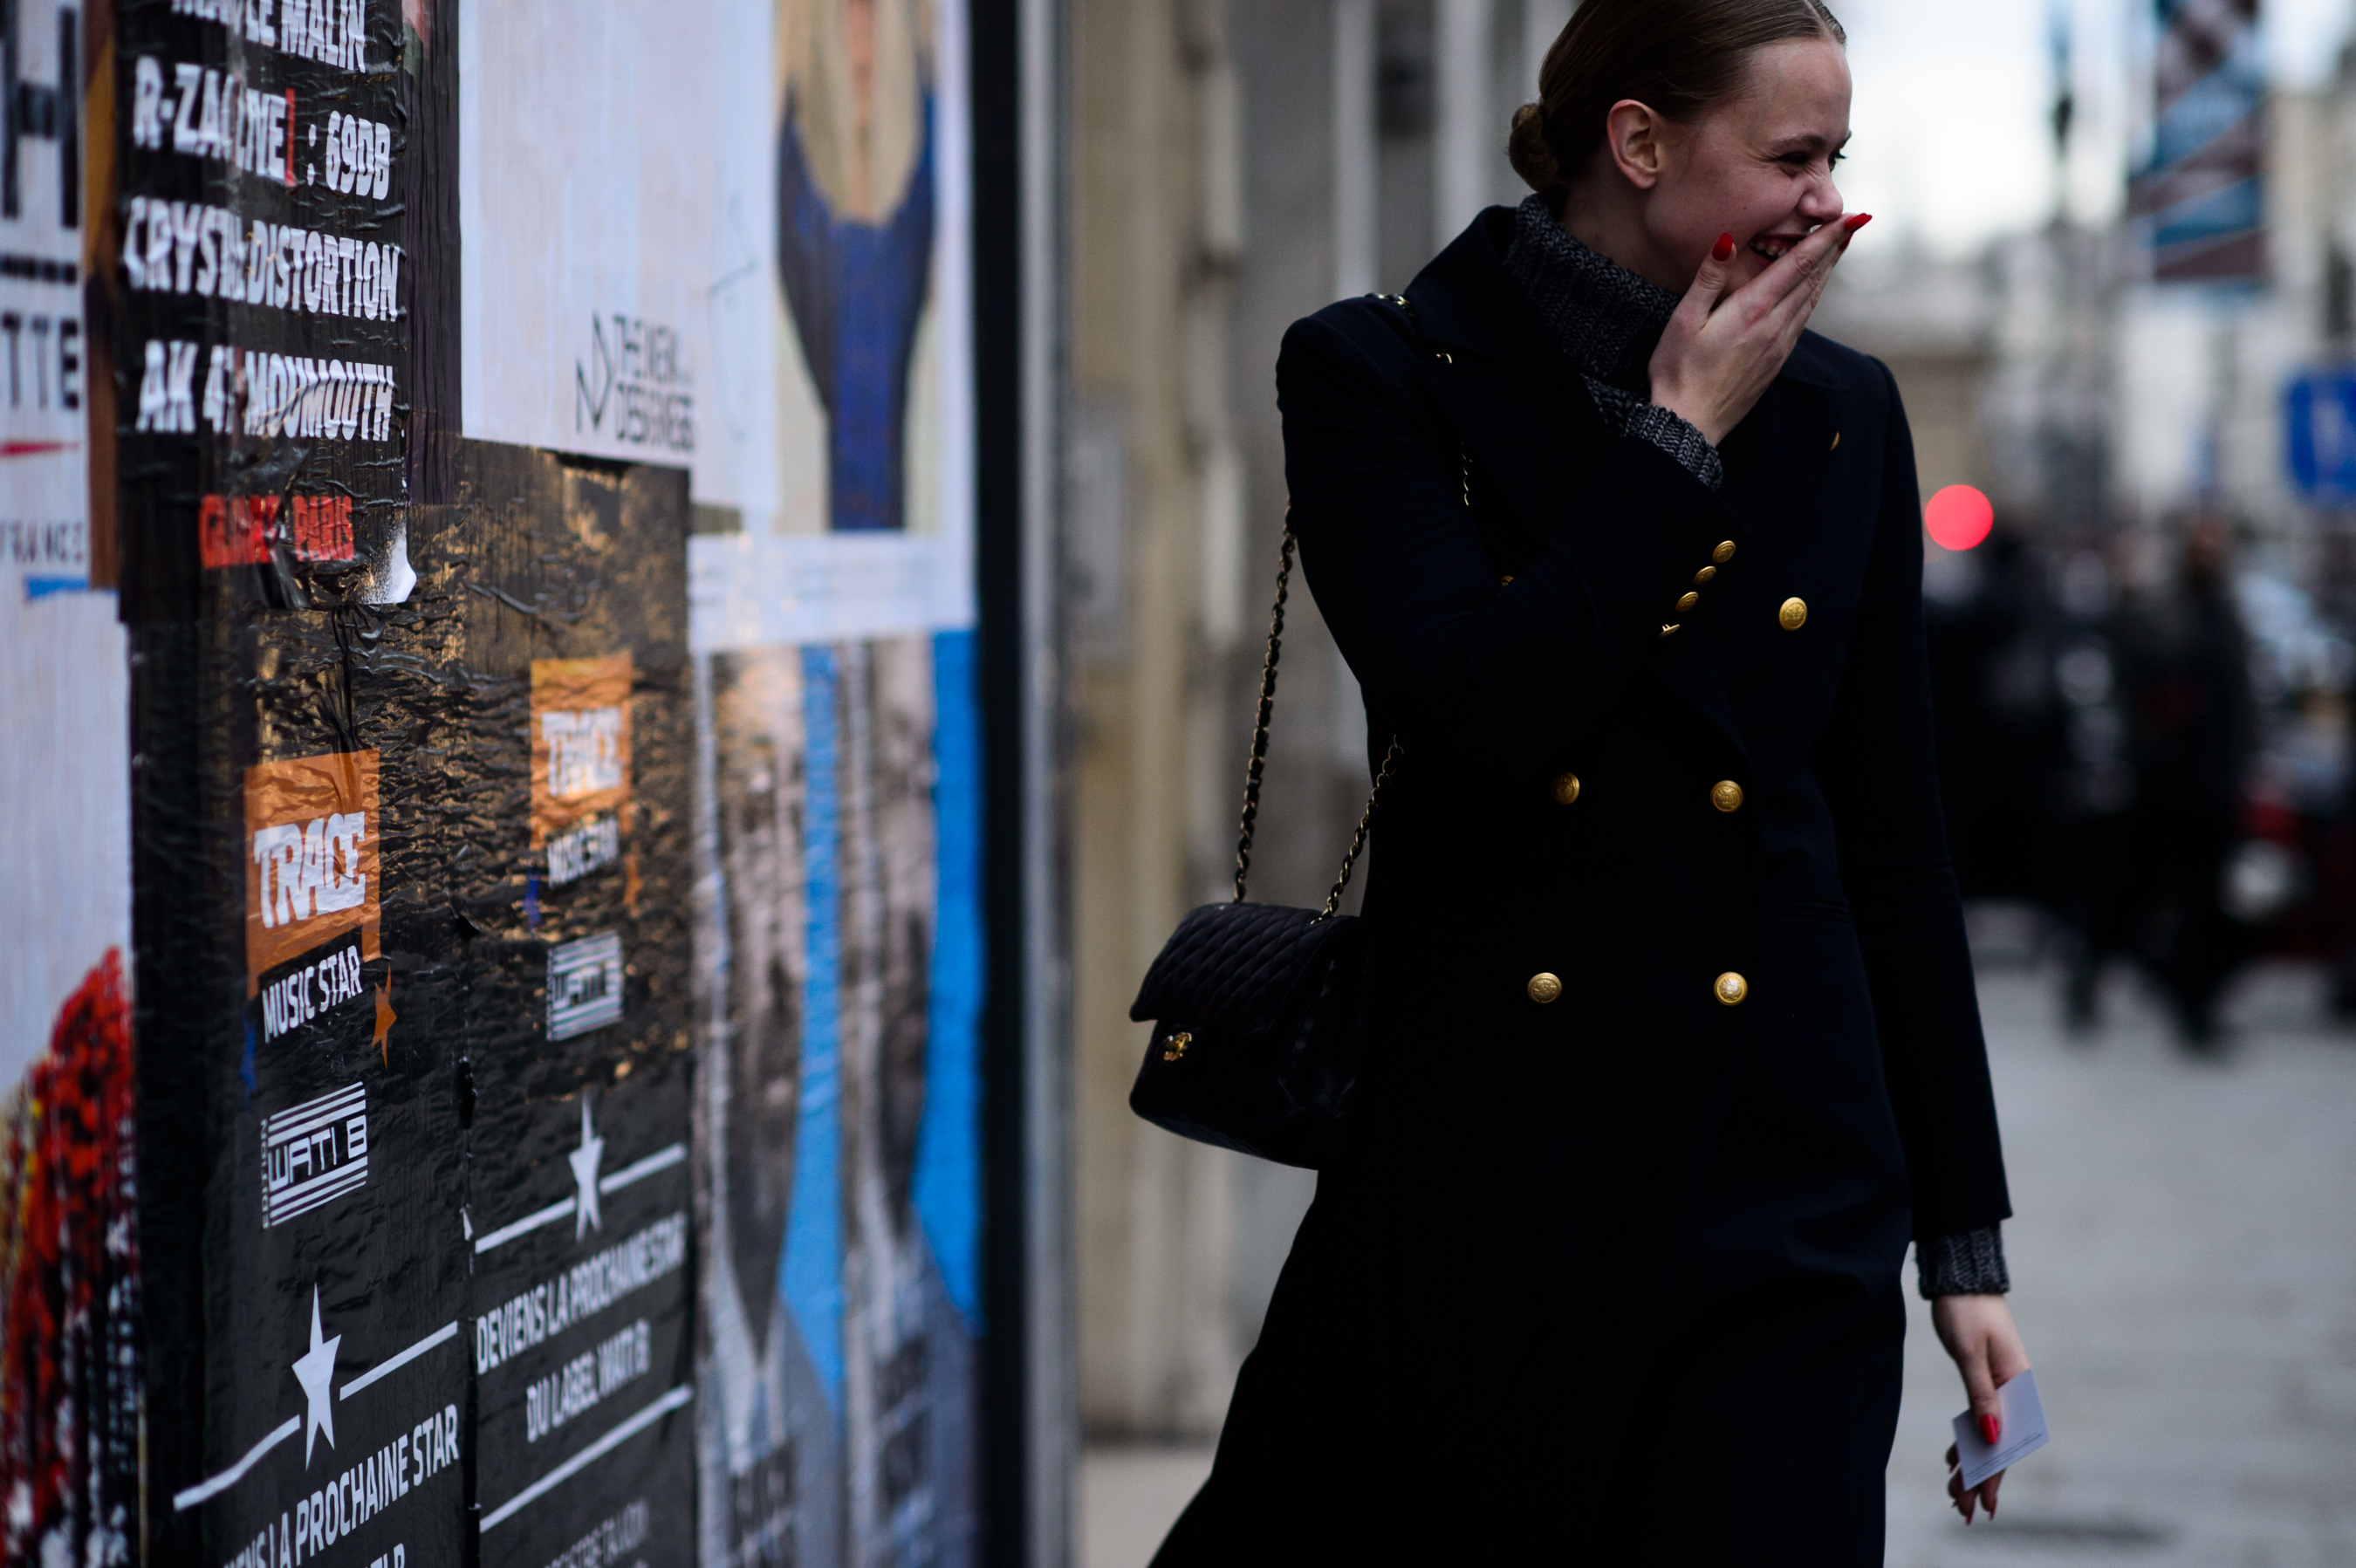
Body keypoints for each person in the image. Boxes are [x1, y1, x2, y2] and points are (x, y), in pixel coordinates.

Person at [1153, 3, 2029, 1560]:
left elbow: (1893, 841)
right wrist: (1678, 435)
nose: (1829, 200)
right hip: (1491, 1177)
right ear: (1637, 143)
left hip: (1784, 1192)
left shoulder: (1845, 415)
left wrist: (1961, 1240)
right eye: (1792, 155)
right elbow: (1481, 711)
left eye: (1841, 156)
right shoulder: (1377, 373)